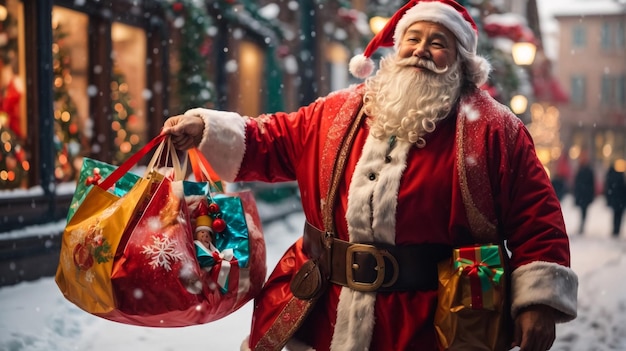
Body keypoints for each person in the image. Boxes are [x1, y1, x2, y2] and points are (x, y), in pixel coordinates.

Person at [163, 1, 578, 350]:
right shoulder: (337, 110)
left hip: (434, 321)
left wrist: (537, 303)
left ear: (461, 62)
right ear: (396, 50)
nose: (420, 51)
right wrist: (206, 129)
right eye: (413, 39)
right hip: (324, 306)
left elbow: (536, 216)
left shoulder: (495, 130)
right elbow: (272, 139)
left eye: (438, 43)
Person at [573, 153, 595, 234]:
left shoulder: (583, 170)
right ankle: (582, 224)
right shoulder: (585, 170)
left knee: (583, 210)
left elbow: (578, 183)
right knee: (583, 211)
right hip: (584, 194)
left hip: (584, 194)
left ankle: (582, 225)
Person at [604, 162, 626, 237]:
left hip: (616, 200)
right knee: (619, 216)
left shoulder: (611, 177)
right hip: (621, 201)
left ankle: (615, 229)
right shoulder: (620, 176)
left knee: (615, 215)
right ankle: (617, 229)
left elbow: (608, 190)